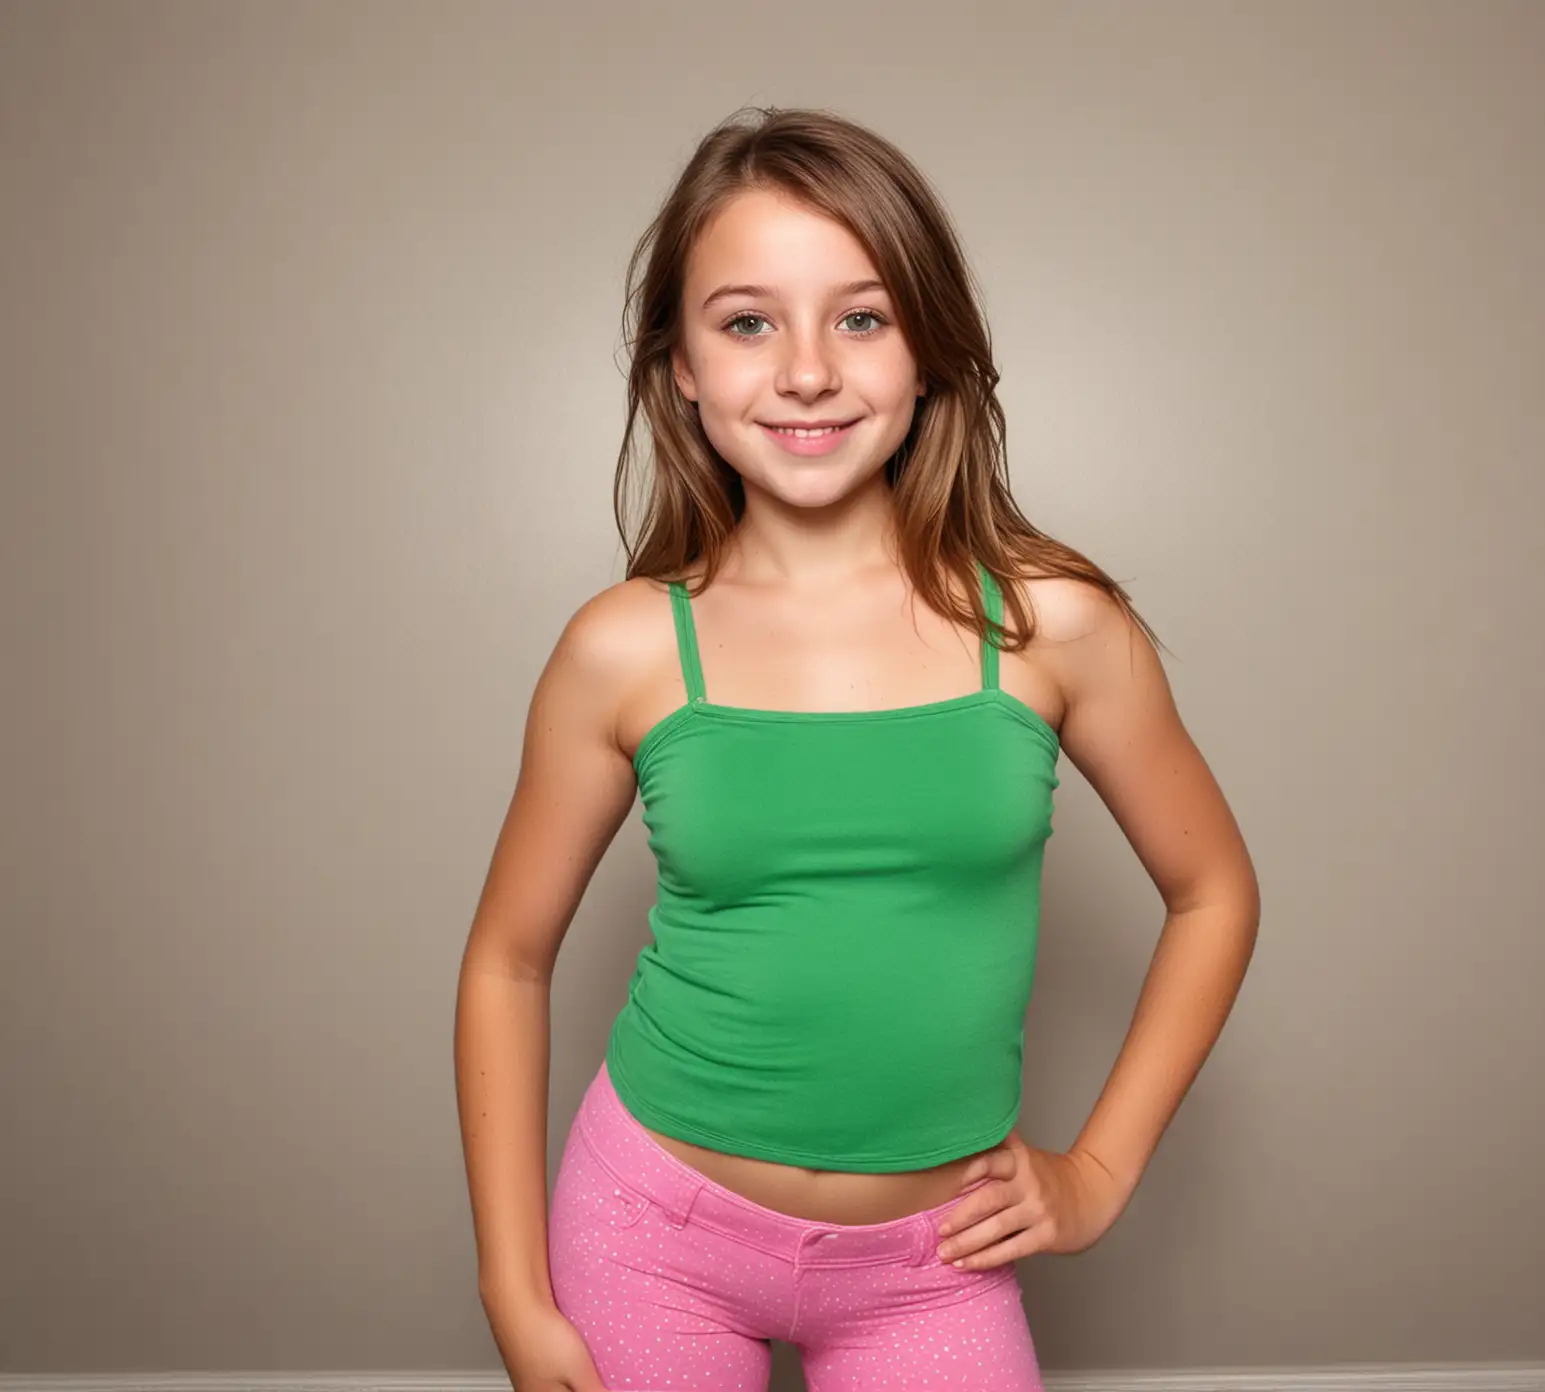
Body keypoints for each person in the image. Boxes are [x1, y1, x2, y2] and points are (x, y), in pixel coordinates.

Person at [454, 105, 1260, 1392]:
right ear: (681, 365)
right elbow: (506, 959)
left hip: (929, 1263)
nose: (808, 371)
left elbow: (1215, 892)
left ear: (929, 352)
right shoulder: (623, 650)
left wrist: (1097, 1172)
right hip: (648, 1235)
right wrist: (509, 1284)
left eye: (862, 317)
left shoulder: (1054, 626)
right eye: (747, 321)